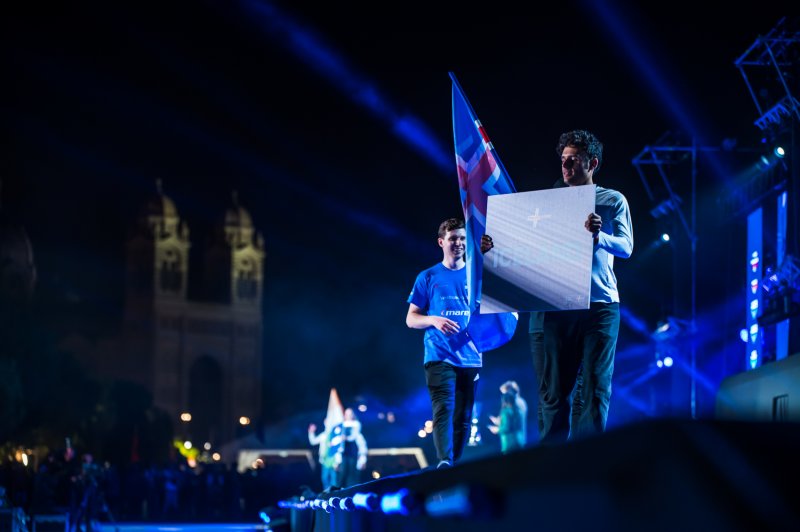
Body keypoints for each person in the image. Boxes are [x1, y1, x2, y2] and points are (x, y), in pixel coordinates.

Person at [483, 129, 633, 444]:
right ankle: (552, 462)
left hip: (599, 306)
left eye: (574, 160)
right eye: (563, 160)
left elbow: (626, 247)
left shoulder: (612, 200)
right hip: (556, 305)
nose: (566, 167)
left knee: (594, 387)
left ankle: (587, 460)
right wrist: (494, 247)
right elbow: (523, 248)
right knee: (553, 393)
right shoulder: (546, 203)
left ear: (592, 163)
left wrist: (600, 236)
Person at [407, 217, 483, 469]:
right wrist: (433, 320)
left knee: (464, 416)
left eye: (462, 238)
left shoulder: (477, 274)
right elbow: (411, 319)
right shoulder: (428, 276)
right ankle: (444, 462)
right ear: (441, 242)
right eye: (453, 238)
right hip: (439, 355)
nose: (458, 243)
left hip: (471, 356)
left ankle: (453, 465)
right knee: (443, 409)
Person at [332, 408, 368, 487]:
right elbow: (337, 444)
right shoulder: (341, 427)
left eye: (350, 414)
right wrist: (336, 461)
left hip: (353, 454)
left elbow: (361, 445)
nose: (348, 416)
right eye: (347, 414)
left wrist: (363, 459)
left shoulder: (357, 428)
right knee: (341, 475)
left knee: (352, 476)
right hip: (343, 455)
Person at [488, 380, 528, 453]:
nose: (503, 397)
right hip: (518, 440)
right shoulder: (521, 401)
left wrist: (498, 429)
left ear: (510, 391)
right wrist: (499, 421)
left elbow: (510, 425)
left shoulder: (514, 404)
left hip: (511, 442)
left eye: (504, 393)